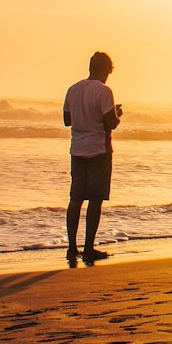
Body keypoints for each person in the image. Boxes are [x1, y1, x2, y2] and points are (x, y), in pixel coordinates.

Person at [63, 51, 122, 264]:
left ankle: (71, 247)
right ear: (105, 70)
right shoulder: (104, 91)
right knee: (95, 200)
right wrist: (117, 115)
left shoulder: (73, 89)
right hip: (98, 149)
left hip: (77, 149)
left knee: (76, 199)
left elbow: (67, 120)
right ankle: (88, 248)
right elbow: (110, 123)